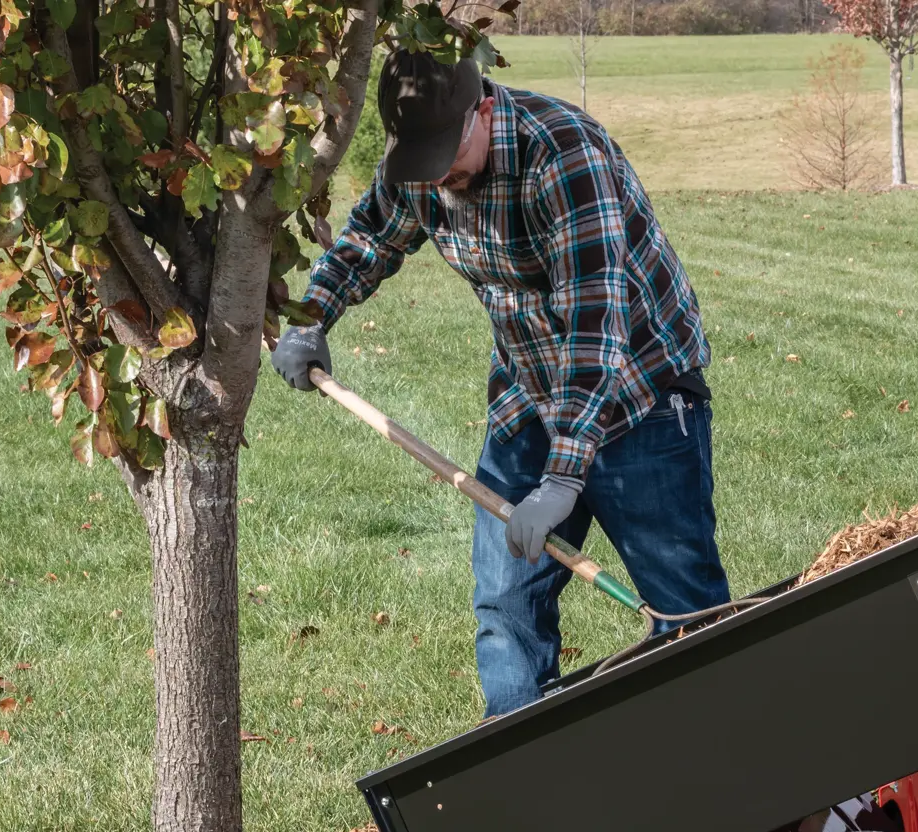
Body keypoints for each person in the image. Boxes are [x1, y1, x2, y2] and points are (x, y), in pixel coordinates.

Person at [272, 46, 728, 722]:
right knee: (507, 606)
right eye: (420, 160)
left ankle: (741, 793)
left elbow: (594, 329)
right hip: (529, 394)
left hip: (642, 397)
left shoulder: (564, 157)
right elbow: (373, 238)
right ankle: (522, 791)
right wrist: (313, 317)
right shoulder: (423, 163)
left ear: (483, 108)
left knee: (688, 616)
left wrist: (564, 479)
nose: (436, 178)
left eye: (446, 156)